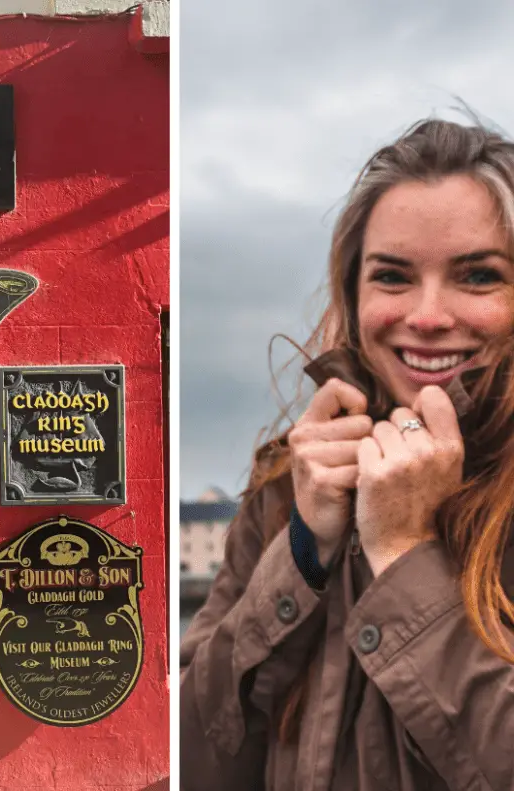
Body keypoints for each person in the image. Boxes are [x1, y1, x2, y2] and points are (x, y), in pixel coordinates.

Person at [180, 118, 514, 790]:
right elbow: (192, 755)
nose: (426, 315)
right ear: (353, 292)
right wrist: (301, 551)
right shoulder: (287, 481)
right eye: (392, 276)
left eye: (477, 275)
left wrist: (403, 554)